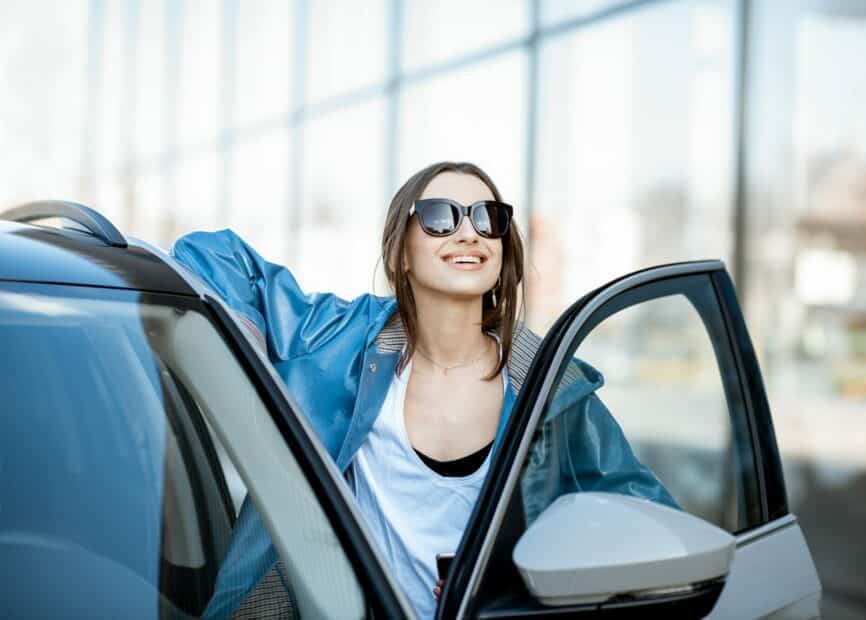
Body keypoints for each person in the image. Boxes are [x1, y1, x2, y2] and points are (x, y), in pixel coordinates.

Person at [170, 161, 677, 620]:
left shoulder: (551, 386)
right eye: (439, 216)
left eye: (488, 217)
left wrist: (523, 586)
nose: (468, 232)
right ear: (403, 250)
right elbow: (208, 255)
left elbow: (647, 524)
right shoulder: (337, 342)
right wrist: (259, 375)